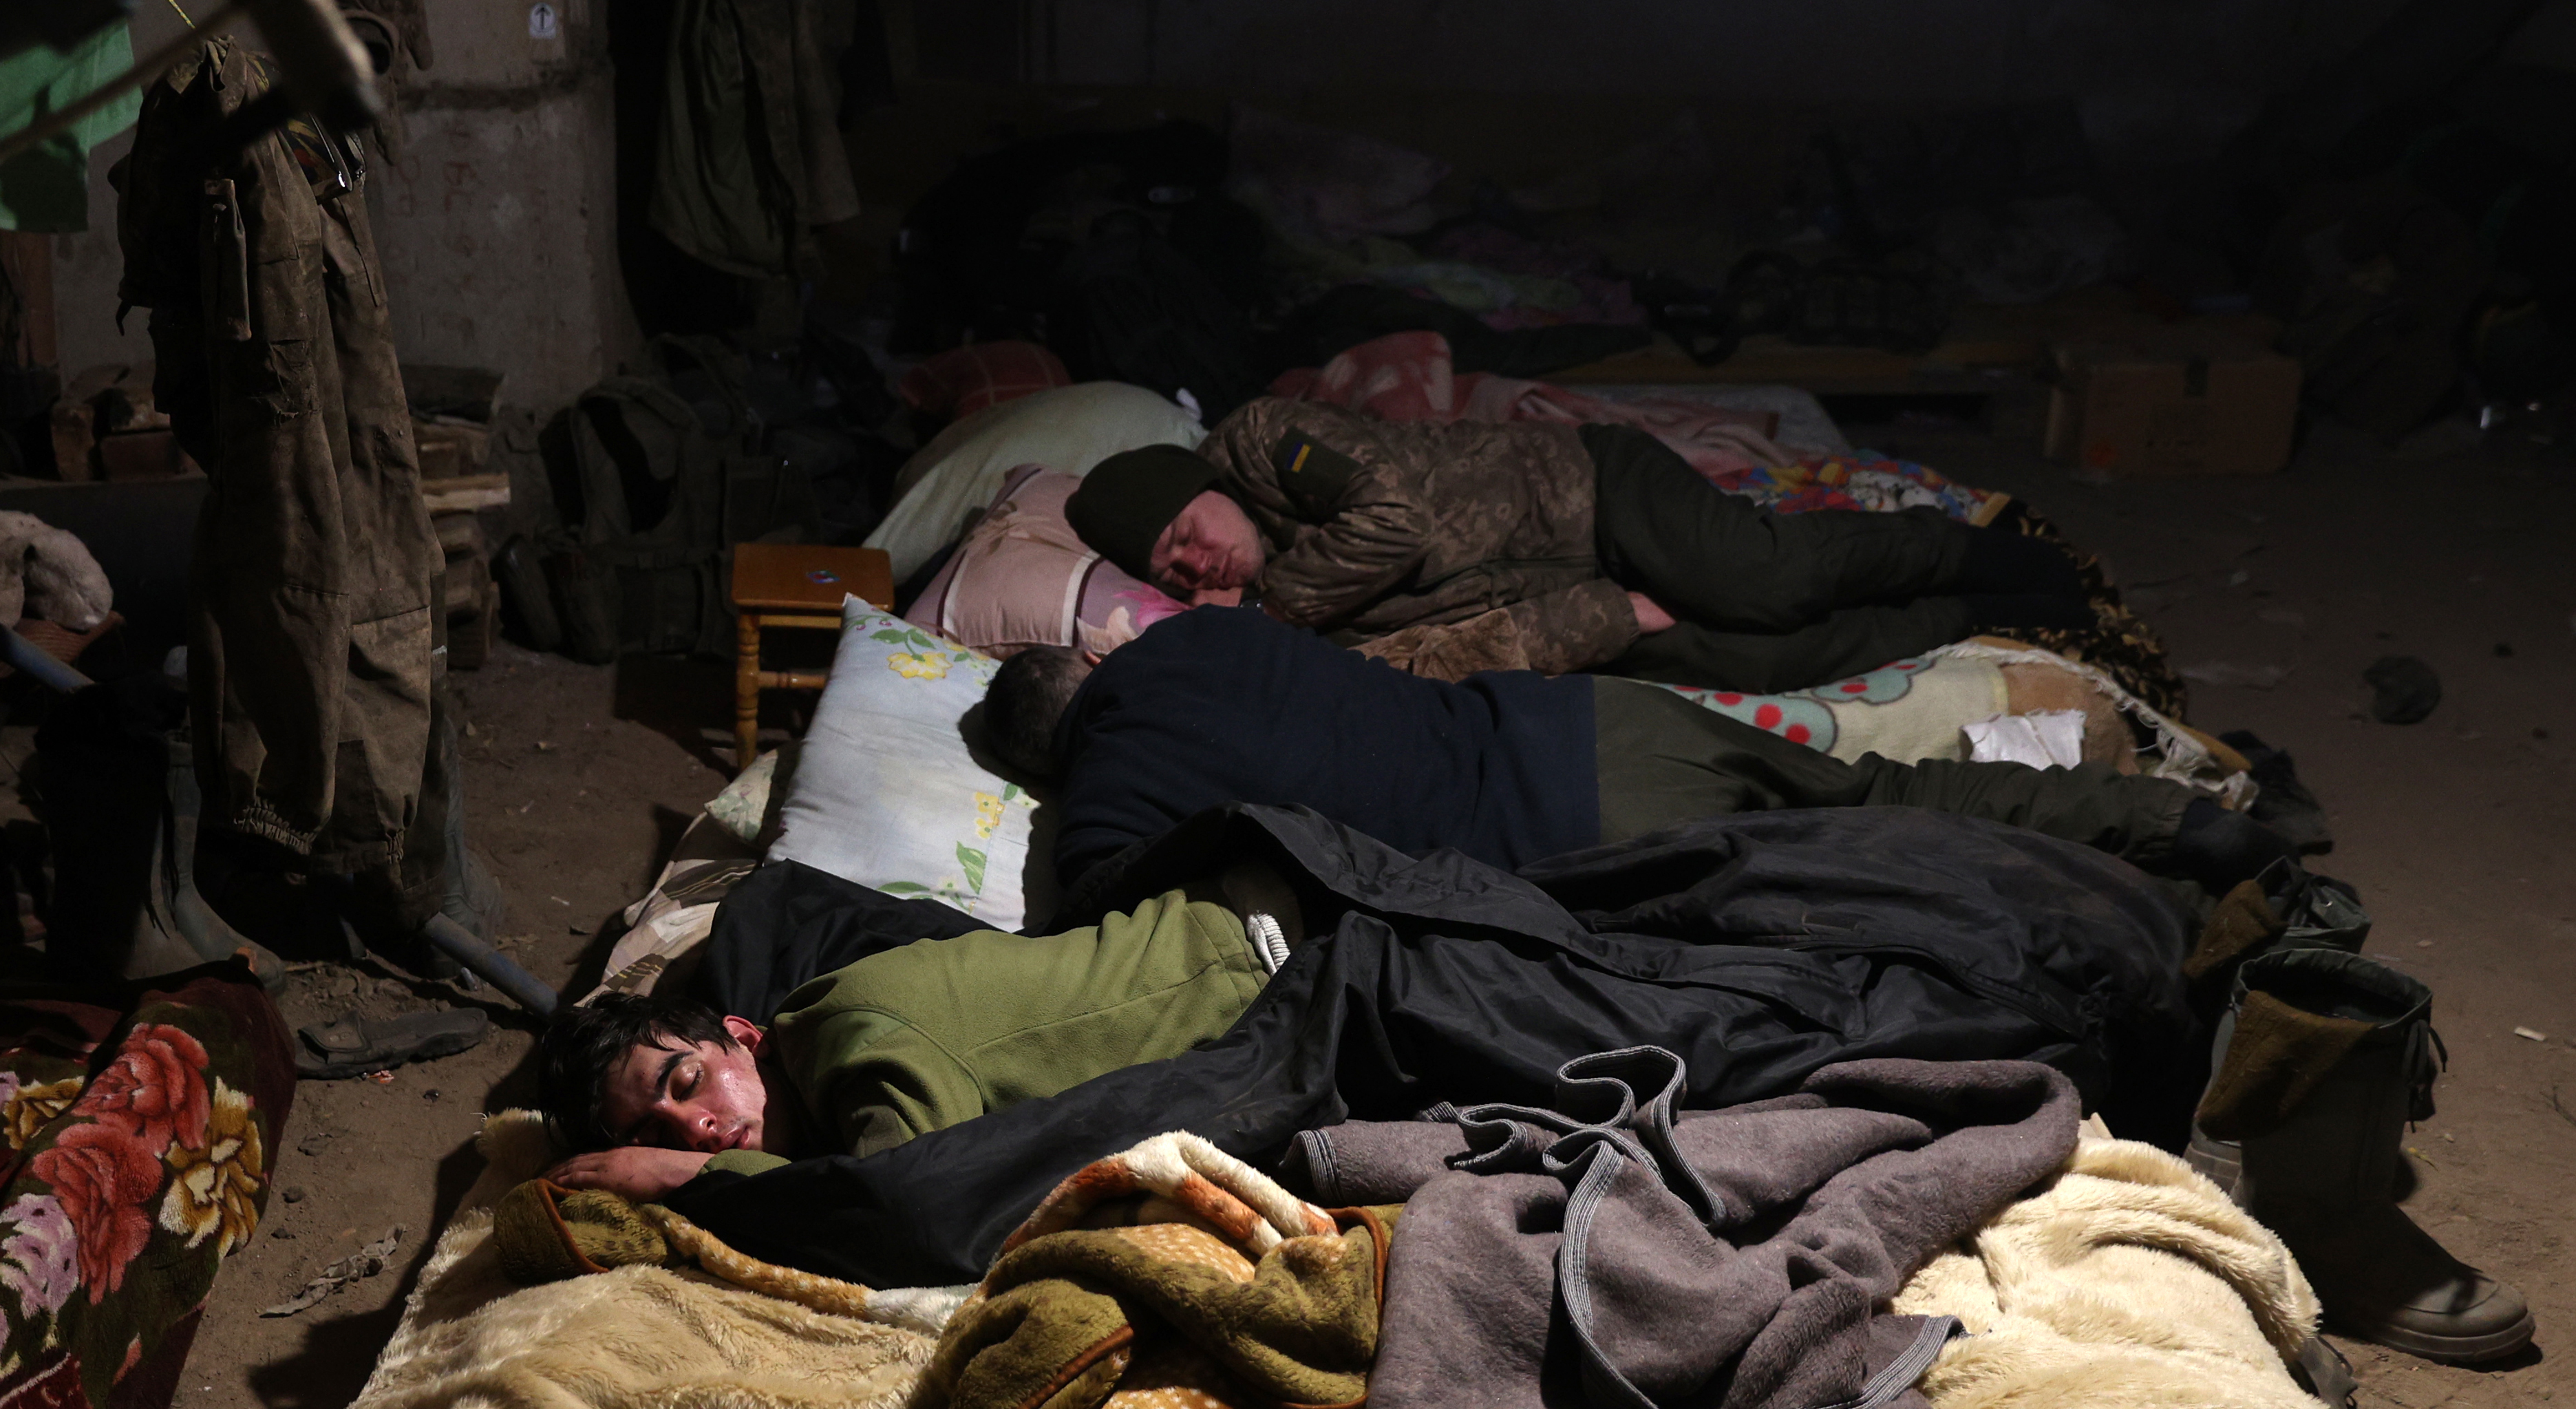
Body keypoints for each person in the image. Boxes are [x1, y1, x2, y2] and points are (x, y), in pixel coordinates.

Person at [976, 606, 2292, 907]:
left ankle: (2157, 888)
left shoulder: (1106, 789)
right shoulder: (1201, 635)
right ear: (1090, 662)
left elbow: (1098, 900)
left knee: (1894, 864)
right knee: (1892, 785)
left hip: (1578, 831)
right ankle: (2181, 824)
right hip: (1584, 717)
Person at [1063, 399, 2096, 690]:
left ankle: (1991, 556)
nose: (1197, 567)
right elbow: (1425, 656)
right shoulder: (1284, 619)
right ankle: (1980, 616)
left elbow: (1398, 523)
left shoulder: (1262, 440)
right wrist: (1597, 615)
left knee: (1760, 581)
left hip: (1591, 492)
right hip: (1571, 583)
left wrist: (1273, 607)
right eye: (1172, 573)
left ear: (1204, 488)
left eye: (1188, 537)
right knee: (1752, 659)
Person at [535, 882, 1286, 1198]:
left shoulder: (850, 1036)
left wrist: (679, 1177)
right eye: (656, 1136)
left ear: (742, 1035)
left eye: (686, 1082)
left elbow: (905, 1204)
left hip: (1259, 974)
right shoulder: (816, 1089)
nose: (691, 1130)